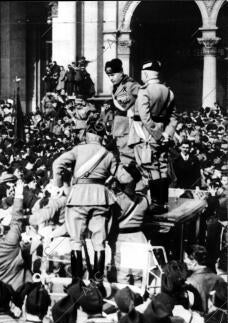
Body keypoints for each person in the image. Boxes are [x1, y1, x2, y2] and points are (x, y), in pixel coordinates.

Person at [52, 119, 134, 283]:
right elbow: (125, 178)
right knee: (99, 242)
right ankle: (97, 283)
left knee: (76, 241)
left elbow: (57, 163)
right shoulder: (108, 154)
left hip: (78, 198)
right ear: (101, 137)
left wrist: (59, 184)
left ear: (87, 135)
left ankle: (76, 281)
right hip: (100, 199)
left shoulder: (77, 150)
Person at [130, 60, 177, 214]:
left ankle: (156, 204)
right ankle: (163, 203)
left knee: (150, 168)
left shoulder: (145, 91)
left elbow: (144, 117)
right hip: (164, 134)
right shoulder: (169, 92)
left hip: (147, 136)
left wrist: (156, 135)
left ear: (145, 74)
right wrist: (166, 134)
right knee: (163, 167)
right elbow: (174, 118)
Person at [104, 58, 140, 166]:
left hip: (127, 127)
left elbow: (123, 106)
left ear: (121, 72)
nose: (111, 78)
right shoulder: (118, 86)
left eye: (113, 75)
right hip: (120, 127)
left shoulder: (128, 85)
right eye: (109, 75)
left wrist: (113, 100)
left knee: (127, 159)